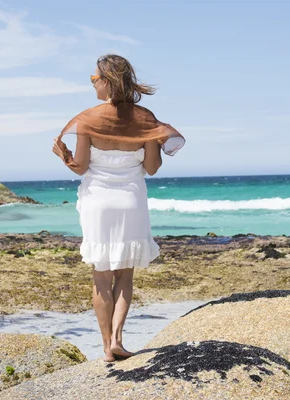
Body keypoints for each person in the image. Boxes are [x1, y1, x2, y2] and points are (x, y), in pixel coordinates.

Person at [52, 54, 185, 362]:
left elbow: (81, 167)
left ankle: (105, 346)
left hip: (97, 201)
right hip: (131, 200)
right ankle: (118, 339)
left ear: (107, 81)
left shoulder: (87, 119)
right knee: (125, 273)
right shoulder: (144, 118)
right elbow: (151, 168)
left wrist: (64, 155)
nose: (92, 83)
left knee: (101, 274)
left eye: (93, 78)